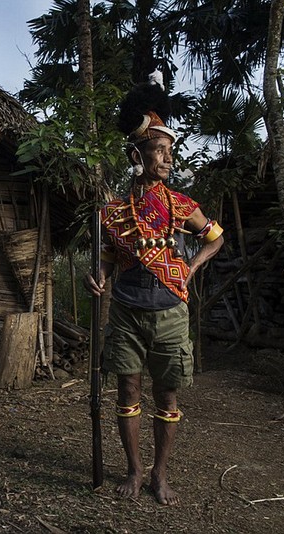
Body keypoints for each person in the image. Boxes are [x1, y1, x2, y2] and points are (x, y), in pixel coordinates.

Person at [84, 75, 224, 506]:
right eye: (158, 150)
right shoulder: (112, 211)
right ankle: (134, 469)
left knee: (167, 394)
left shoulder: (181, 204)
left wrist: (191, 269)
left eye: (169, 151)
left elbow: (216, 237)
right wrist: (99, 276)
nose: (167, 159)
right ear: (136, 154)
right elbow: (108, 256)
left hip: (169, 311)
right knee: (127, 390)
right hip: (125, 310)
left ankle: (159, 474)